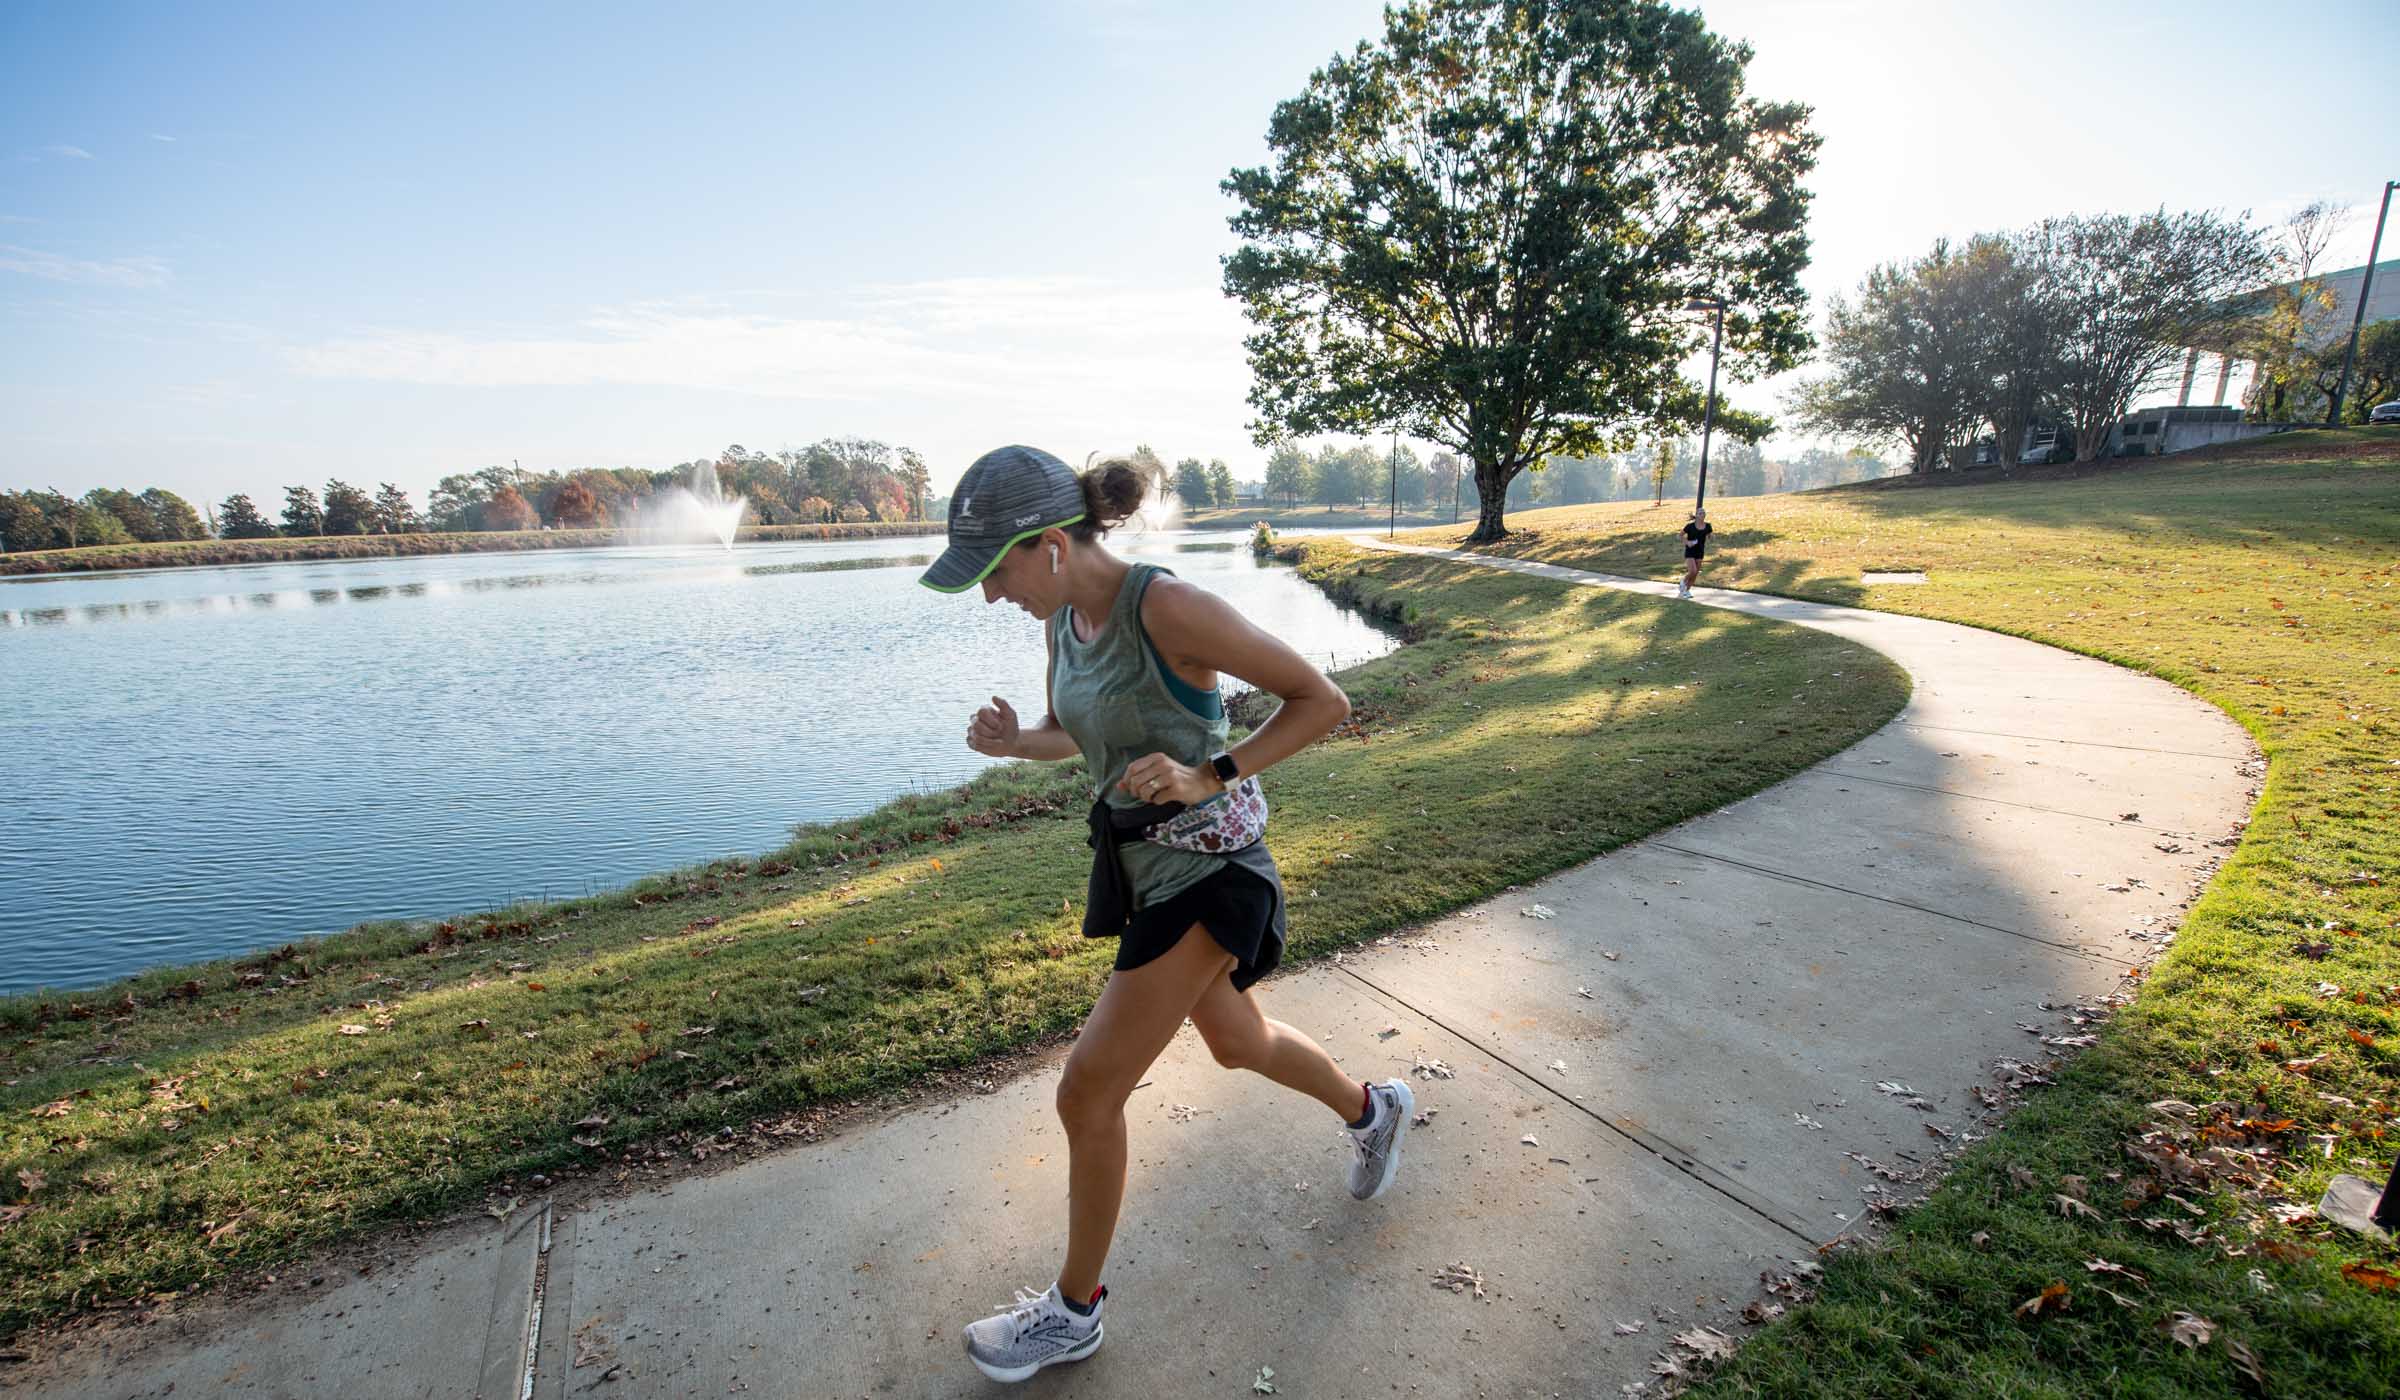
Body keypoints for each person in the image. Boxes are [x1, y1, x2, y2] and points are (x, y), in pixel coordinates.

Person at [920, 445, 1416, 1383]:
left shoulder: (1169, 607)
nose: (992, 596)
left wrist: (1210, 771)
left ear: (1053, 544)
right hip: (1144, 872)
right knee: (1239, 1042)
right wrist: (1016, 741)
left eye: (996, 571)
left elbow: (1324, 699)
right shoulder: (1063, 619)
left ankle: (1074, 1313)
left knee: (1087, 1090)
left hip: (1212, 872)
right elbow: (1084, 735)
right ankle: (1373, 1108)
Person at [1678, 506, 1712, 598]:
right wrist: (1687, 542)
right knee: (1692, 571)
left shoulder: (1708, 526)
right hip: (1690, 551)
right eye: (1700, 513)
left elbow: (1710, 535)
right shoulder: (1690, 526)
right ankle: (1683, 582)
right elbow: (1680, 536)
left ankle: (1687, 591)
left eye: (1703, 513)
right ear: (1696, 515)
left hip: (1700, 551)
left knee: (1696, 573)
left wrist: (1712, 537)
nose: (1702, 514)